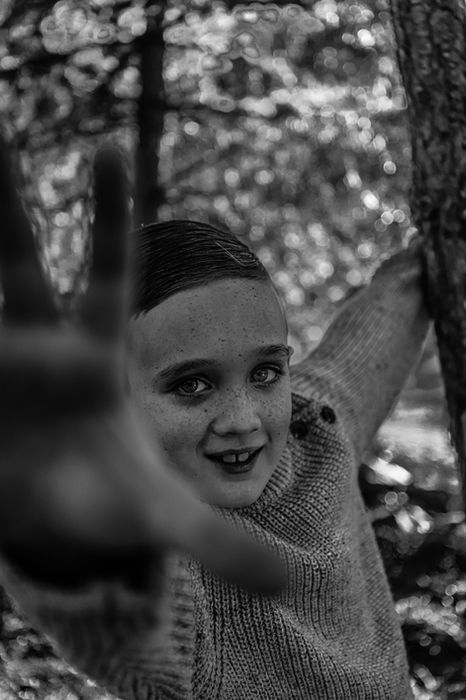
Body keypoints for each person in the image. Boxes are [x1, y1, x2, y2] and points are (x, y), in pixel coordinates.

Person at [0, 143, 430, 699]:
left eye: (265, 372)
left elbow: (374, 334)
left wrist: (427, 255)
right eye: (191, 385)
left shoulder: (319, 428)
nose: (243, 419)